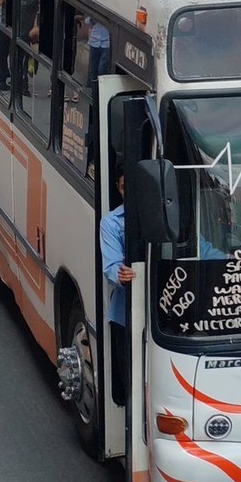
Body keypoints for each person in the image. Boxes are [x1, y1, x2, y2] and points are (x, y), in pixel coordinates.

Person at [100, 169, 134, 406]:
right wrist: (122, 274)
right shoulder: (111, 222)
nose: (128, 194)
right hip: (124, 315)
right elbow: (112, 265)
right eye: (123, 188)